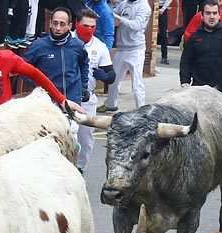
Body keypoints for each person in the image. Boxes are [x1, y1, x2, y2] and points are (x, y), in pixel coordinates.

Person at [74, 9, 116, 173]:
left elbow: (111, 75)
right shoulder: (67, 40)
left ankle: (80, 168)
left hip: (87, 99)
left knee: (85, 139)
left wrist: (104, 75)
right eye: (85, 26)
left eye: (93, 26)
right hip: (65, 96)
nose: (89, 29)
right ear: (77, 24)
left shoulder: (100, 47)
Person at [180, 0, 222, 97]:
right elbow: (186, 61)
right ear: (202, 16)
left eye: (214, 13)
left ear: (219, 15)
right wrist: (184, 82)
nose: (211, 16)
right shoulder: (194, 38)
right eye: (208, 13)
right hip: (198, 90)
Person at [25, 7, 89, 107]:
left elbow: (84, 64)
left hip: (72, 101)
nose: (58, 28)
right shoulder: (38, 45)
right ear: (50, 23)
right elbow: (24, 69)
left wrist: (84, 87)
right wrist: (37, 86)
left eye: (62, 24)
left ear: (70, 26)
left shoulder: (78, 45)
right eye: (55, 23)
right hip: (47, 102)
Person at [97, 0, 151, 113]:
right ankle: (111, 105)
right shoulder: (124, 3)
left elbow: (136, 25)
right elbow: (111, 13)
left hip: (136, 49)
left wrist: (119, 18)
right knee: (114, 79)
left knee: (136, 83)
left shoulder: (144, 7)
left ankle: (141, 110)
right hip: (122, 48)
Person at [158, 0, 173, 64]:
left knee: (163, 33)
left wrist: (163, 9)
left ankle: (164, 57)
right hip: (151, 6)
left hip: (161, 7)